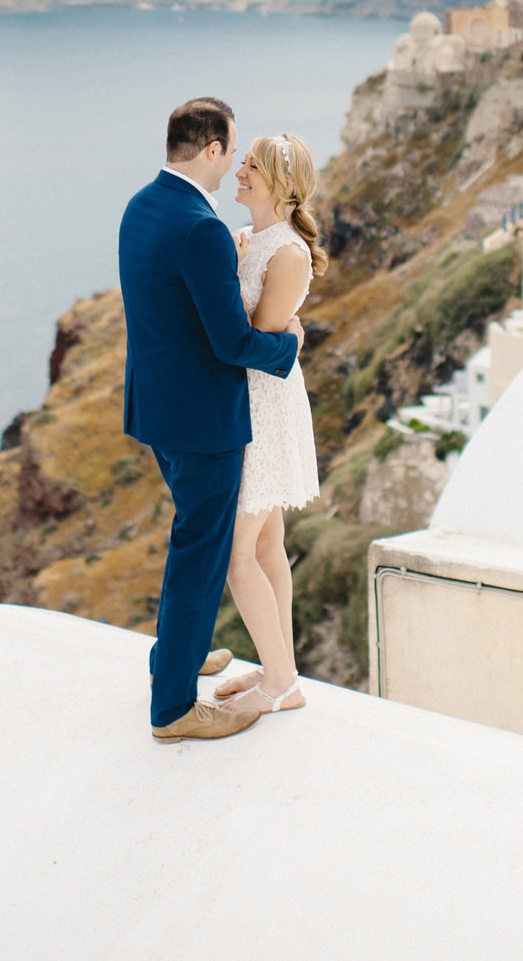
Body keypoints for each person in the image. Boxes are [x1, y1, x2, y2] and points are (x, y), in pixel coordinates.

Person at [118, 98, 302, 743]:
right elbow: (232, 343)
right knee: (200, 553)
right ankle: (172, 707)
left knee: (192, 540)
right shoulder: (200, 226)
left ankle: (181, 653)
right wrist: (290, 346)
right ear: (212, 151)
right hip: (204, 420)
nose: (235, 167)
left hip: (157, 408)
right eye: (233, 152)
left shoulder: (142, 205)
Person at [212, 132, 325, 717]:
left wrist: (231, 277)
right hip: (250, 402)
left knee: (238, 554)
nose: (240, 171)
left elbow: (255, 341)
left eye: (251, 165)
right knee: (269, 544)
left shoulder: (288, 253)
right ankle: (281, 666)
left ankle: (280, 684)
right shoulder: (250, 240)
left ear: (280, 183)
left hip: (265, 408)